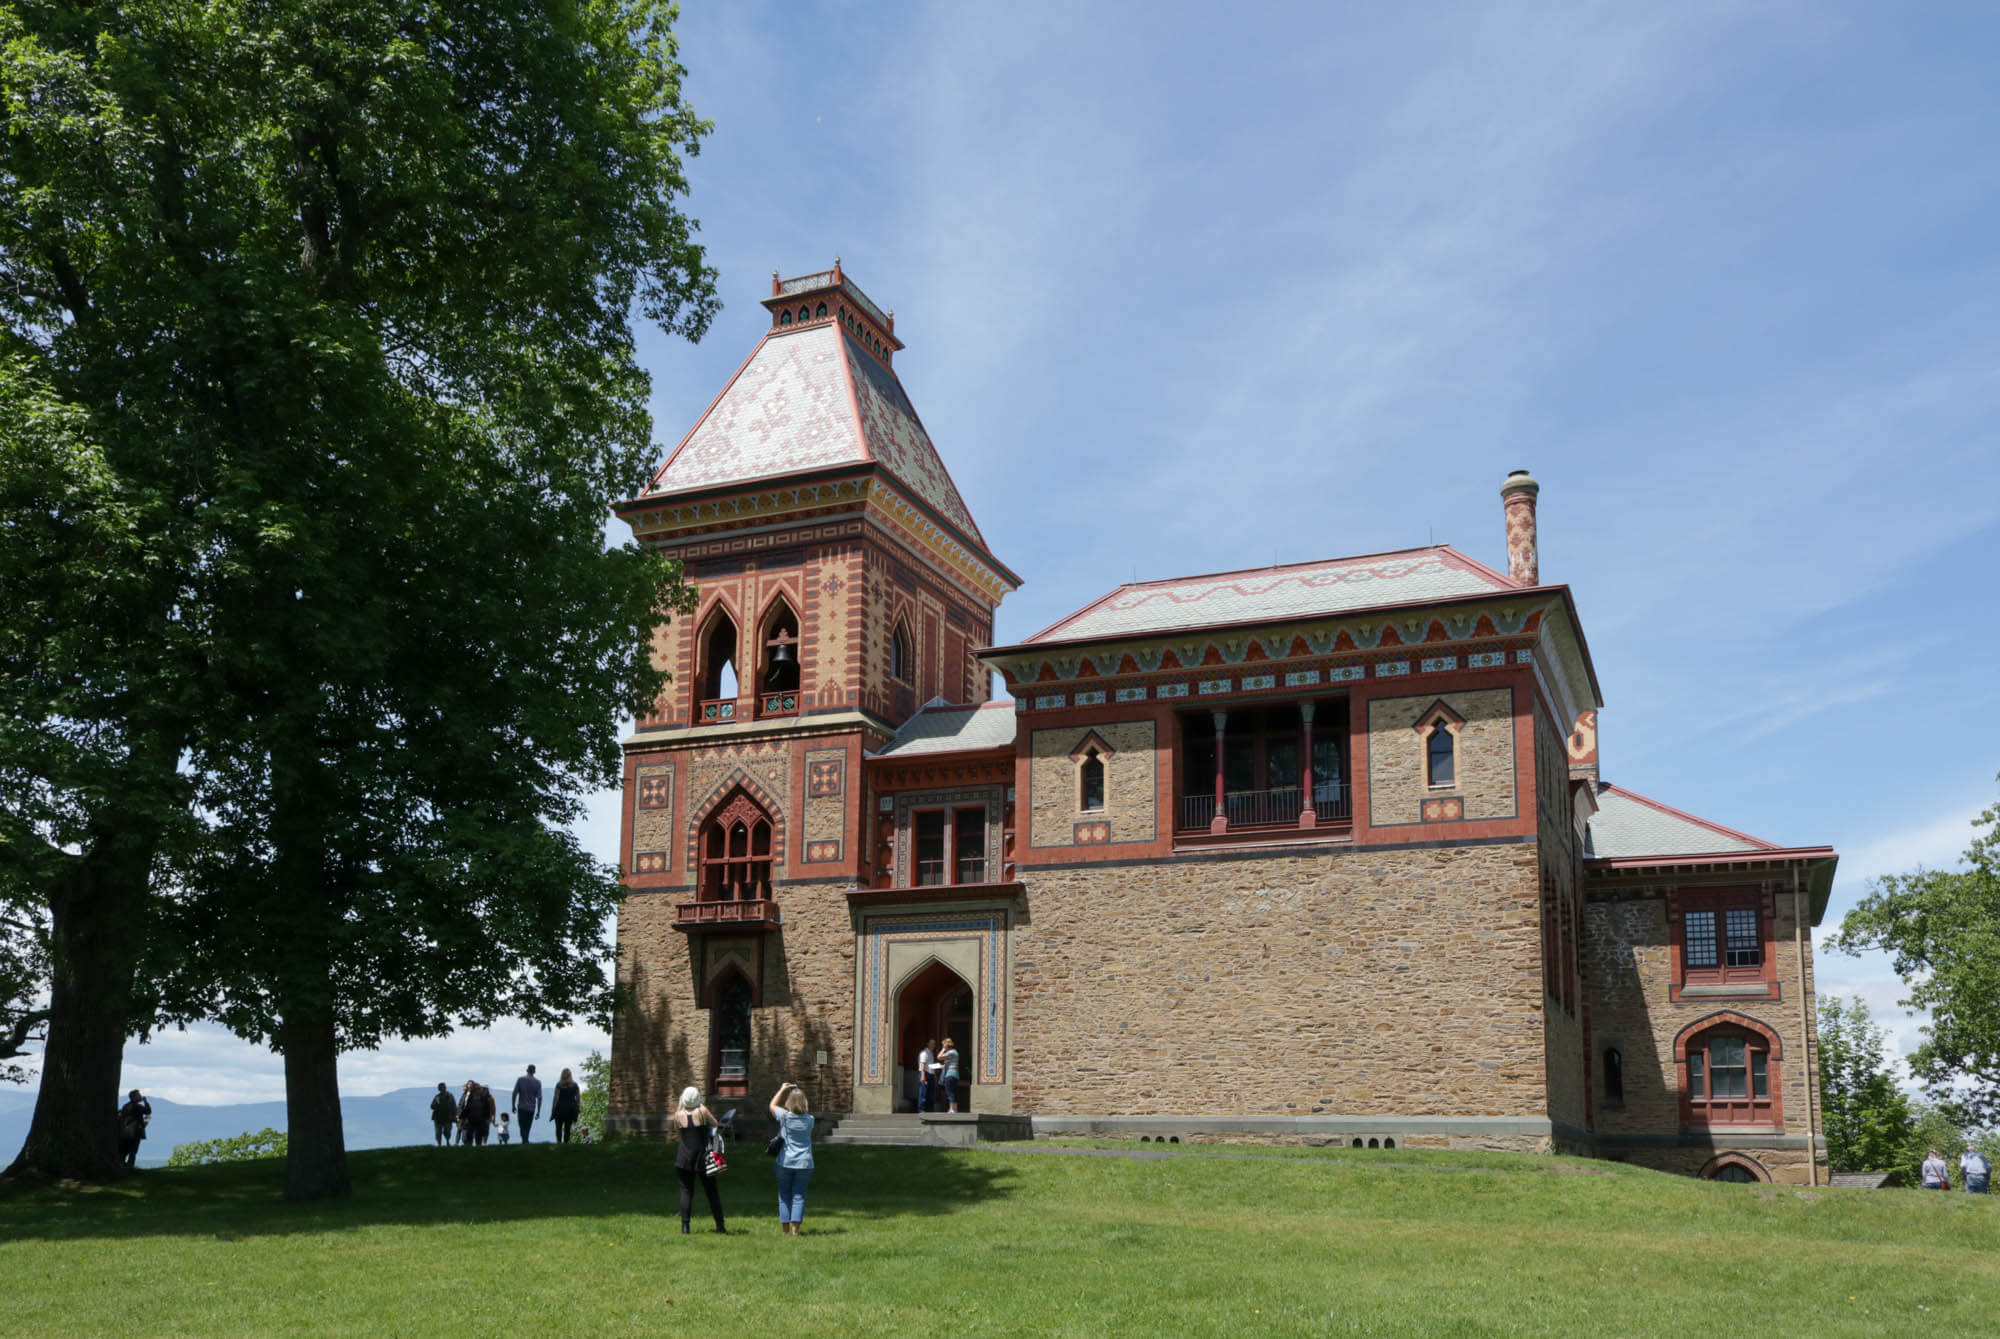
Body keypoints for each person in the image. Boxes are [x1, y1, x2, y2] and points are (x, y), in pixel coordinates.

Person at [672, 1085, 727, 1234]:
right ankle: (720, 1226)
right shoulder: (702, 1111)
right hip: (703, 1157)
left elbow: (679, 1133)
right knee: (712, 1192)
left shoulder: (677, 1115)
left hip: (683, 1157)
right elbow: (715, 1124)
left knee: (686, 1191)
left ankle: (685, 1227)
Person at [769, 1081, 816, 1236]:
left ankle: (785, 1230)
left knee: (784, 1195)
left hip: (785, 1161)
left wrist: (782, 1089)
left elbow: (772, 1105)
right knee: (799, 1196)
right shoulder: (810, 1120)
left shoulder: (784, 1117)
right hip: (805, 1162)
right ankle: (796, 1231)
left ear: (789, 1102)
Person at [117, 1089, 152, 1170]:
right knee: (133, 1151)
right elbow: (148, 1111)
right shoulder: (137, 1107)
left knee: (123, 1151)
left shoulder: (125, 1106)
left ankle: (121, 1165)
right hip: (135, 1132)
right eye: (138, 1095)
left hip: (124, 1132)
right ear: (134, 1097)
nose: (140, 1096)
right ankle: (130, 1167)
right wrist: (145, 1101)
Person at [512, 1064, 543, 1144]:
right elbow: (539, 1098)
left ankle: (525, 1141)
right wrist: (538, 1111)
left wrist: (513, 1105)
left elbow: (514, 1093)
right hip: (531, 1108)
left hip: (522, 1107)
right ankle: (525, 1141)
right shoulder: (538, 1082)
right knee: (528, 1126)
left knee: (522, 1126)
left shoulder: (520, 1080)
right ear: (534, 1071)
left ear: (527, 1070)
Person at [551, 1067, 582, 1144]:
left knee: (558, 1127)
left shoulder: (559, 1085)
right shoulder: (575, 1085)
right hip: (570, 1109)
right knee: (567, 1128)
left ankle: (559, 1142)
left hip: (560, 1108)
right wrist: (577, 1108)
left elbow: (556, 1098)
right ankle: (566, 1143)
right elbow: (578, 1098)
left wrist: (553, 1109)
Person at [938, 1036, 961, 1114]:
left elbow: (939, 1057)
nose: (943, 1046)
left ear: (947, 1045)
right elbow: (950, 1063)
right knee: (953, 1092)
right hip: (954, 1074)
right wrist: (942, 1066)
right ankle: (954, 1109)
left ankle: (952, 1109)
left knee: (949, 1092)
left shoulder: (951, 1052)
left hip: (950, 1075)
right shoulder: (954, 1052)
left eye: (943, 1045)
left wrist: (943, 1049)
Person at [915, 1039, 936, 1114]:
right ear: (928, 1044)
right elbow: (922, 1065)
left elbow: (930, 1065)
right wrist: (923, 1076)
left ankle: (929, 1110)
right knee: (923, 1092)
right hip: (925, 1073)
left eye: (934, 1044)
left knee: (930, 1093)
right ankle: (921, 1109)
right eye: (932, 1043)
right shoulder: (924, 1053)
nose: (933, 1045)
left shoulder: (931, 1053)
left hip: (930, 1074)